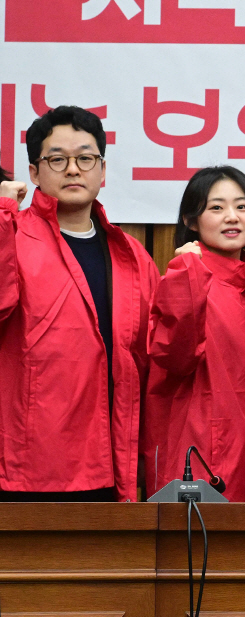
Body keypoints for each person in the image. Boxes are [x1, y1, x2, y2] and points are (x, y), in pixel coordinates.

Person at [0, 106, 158, 501]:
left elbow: (151, 361)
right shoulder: (12, 236)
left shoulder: (132, 255)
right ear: (34, 172)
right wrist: (2, 214)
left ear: (102, 171)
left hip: (110, 460)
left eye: (86, 159)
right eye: (57, 159)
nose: (73, 170)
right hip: (28, 466)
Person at [144, 166, 245, 502]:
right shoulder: (179, 281)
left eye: (242, 206)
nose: (232, 217)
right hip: (196, 470)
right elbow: (175, 357)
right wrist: (186, 277)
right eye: (216, 207)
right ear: (191, 221)